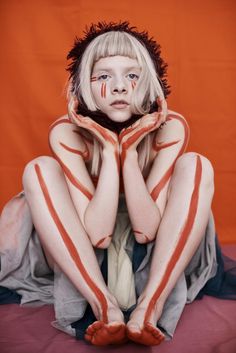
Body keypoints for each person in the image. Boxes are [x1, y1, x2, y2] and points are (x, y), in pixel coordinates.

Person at [0, 21, 234, 346]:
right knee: (39, 168)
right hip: (87, 253)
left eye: (132, 75)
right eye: (104, 76)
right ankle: (103, 305)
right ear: (83, 86)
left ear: (149, 83)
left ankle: (149, 307)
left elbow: (146, 231)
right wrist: (111, 153)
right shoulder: (66, 133)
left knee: (197, 164)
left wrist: (132, 154)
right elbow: (97, 235)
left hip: (158, 251)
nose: (120, 87)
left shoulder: (171, 128)